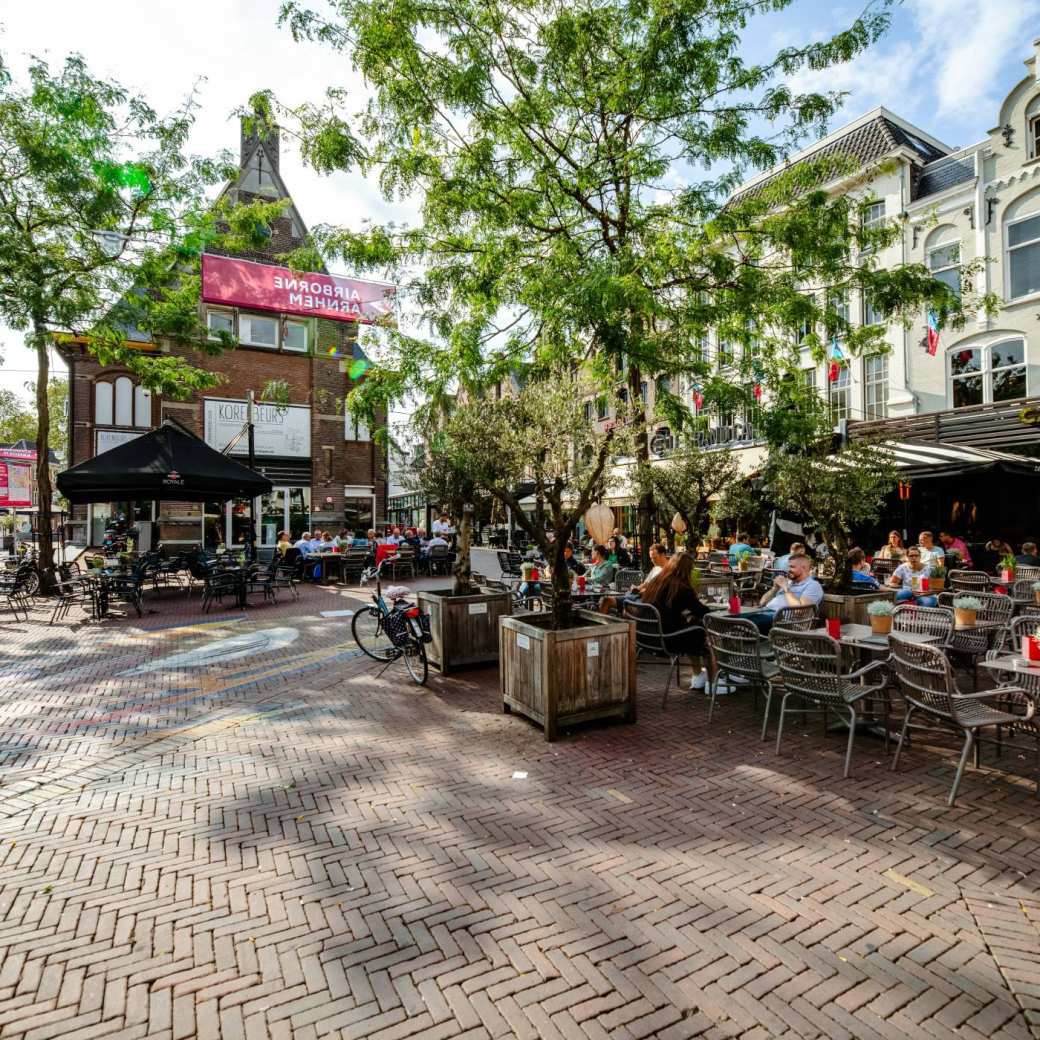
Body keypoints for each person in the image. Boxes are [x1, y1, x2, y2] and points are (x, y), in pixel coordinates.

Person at [638, 552, 712, 687]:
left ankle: (698, 676)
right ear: (687, 570)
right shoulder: (681, 588)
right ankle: (712, 681)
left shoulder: (657, 581)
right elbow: (702, 612)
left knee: (692, 625)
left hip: (647, 638)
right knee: (700, 629)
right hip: (668, 639)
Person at [740, 554, 825, 634]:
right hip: (765, 612)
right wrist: (775, 589)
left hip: (782, 621)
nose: (788, 570)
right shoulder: (789, 582)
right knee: (733, 618)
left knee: (744, 622)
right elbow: (762, 603)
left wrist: (786, 588)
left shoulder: (813, 586)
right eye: (788, 566)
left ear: (804, 568)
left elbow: (800, 611)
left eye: (792, 567)